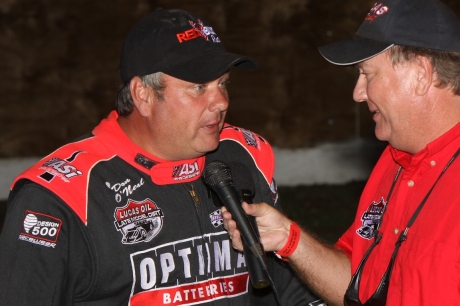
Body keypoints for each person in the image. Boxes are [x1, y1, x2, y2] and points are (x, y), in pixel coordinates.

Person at [0, 8, 323, 306]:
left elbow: (292, 287)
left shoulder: (244, 155)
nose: (221, 102)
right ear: (143, 94)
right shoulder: (62, 195)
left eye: (223, 83)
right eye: (199, 87)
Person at [223, 0, 460, 305]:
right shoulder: (395, 160)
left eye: (368, 75)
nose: (358, 93)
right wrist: (289, 239)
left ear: (421, 73)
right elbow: (359, 284)